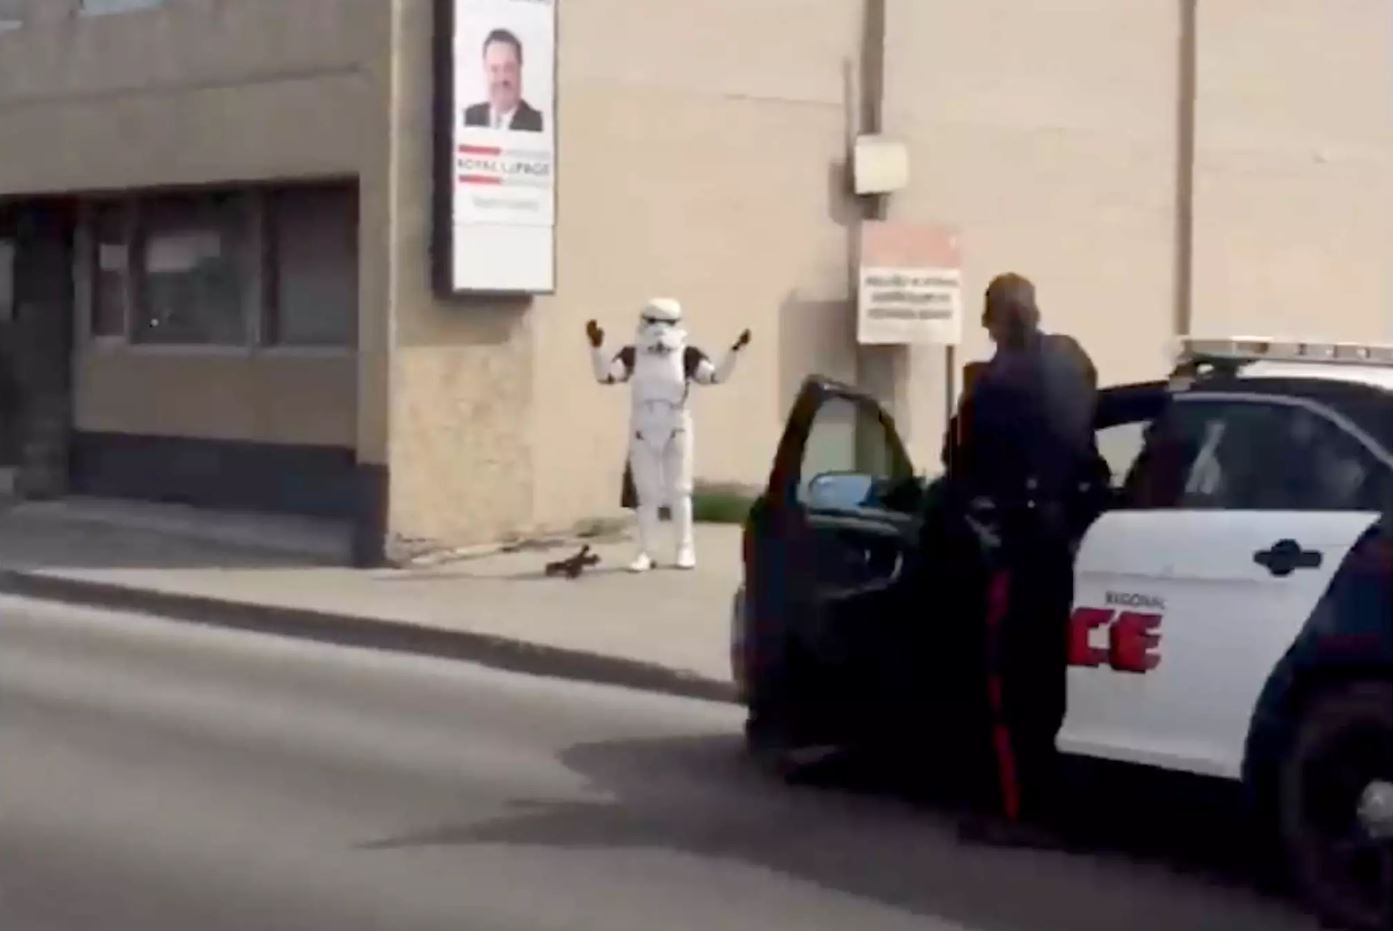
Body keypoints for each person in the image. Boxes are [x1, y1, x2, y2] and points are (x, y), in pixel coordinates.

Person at [943, 273, 1100, 848]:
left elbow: (957, 460)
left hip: (1020, 544)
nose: (984, 328)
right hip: (1075, 543)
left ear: (1000, 318)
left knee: (1010, 686)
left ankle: (1018, 814)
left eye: (987, 318)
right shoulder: (1074, 361)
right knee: (1054, 682)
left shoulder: (994, 384)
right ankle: (1063, 800)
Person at [587, 299, 751, 572]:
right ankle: (645, 551)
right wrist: (597, 348)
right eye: (653, 322)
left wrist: (735, 352)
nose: (659, 330)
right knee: (647, 494)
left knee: (679, 491)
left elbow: (715, 377)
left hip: (677, 426)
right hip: (643, 428)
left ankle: (685, 548)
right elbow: (607, 376)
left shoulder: (688, 355)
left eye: (666, 323)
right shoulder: (633, 354)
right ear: (643, 323)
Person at [464, 29, 544, 132]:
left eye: (508, 68)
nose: (501, 78)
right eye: (494, 69)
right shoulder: (468, 118)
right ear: (485, 69)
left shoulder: (538, 123)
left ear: (520, 69)